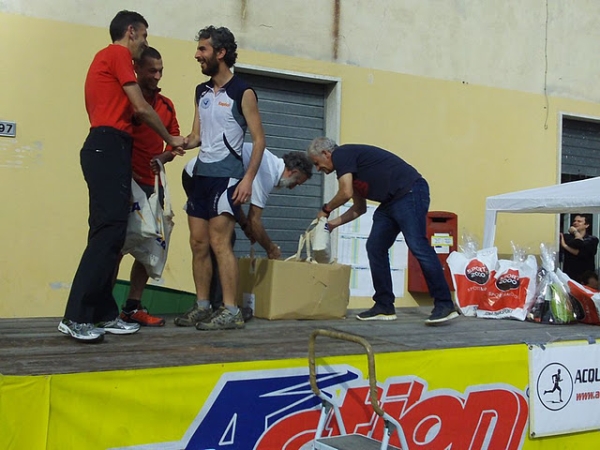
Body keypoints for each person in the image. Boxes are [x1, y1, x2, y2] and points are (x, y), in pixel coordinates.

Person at [58, 11, 185, 343]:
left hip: (113, 148)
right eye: (143, 35)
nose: (144, 42)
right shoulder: (115, 54)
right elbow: (141, 108)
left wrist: (172, 143)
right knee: (106, 234)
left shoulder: (112, 61)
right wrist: (172, 140)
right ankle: (75, 316)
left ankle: (103, 312)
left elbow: (140, 112)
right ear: (131, 31)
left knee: (113, 235)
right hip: (106, 146)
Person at [307, 137, 459, 325]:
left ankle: (445, 304)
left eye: (317, 163)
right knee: (375, 247)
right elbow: (359, 208)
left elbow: (344, 193)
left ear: (326, 153)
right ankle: (384, 305)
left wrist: (326, 209)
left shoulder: (342, 154)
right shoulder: (350, 170)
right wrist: (331, 225)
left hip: (410, 191)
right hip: (390, 202)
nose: (317, 169)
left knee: (417, 245)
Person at [177, 26, 266, 331]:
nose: (197, 55)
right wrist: (176, 142)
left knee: (220, 243)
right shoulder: (201, 92)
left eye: (203, 49)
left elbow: (259, 140)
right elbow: (197, 137)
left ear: (221, 53)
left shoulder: (243, 91)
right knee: (198, 243)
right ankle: (202, 305)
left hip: (227, 177)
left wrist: (248, 180)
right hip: (201, 176)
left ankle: (231, 310)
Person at [178, 143, 313, 322]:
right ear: (293, 172)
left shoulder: (268, 162)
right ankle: (225, 306)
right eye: (297, 182)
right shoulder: (267, 172)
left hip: (193, 173)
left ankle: (207, 304)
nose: (293, 187)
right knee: (223, 242)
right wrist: (271, 248)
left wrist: (245, 226)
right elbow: (254, 221)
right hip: (210, 176)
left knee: (204, 243)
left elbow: (235, 205)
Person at [117, 46, 180, 327]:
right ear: (137, 70)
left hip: (153, 185)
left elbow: (175, 142)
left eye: (160, 70)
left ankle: (132, 307)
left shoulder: (166, 105)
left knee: (148, 247)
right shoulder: (127, 100)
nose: (157, 76)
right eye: (151, 70)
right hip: (125, 182)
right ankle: (102, 308)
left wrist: (163, 157)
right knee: (115, 246)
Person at [560, 214, 599, 283]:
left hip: (586, 278)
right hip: (570, 276)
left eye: (579, 221)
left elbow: (583, 253)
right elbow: (578, 243)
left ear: (586, 225)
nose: (575, 223)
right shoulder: (567, 237)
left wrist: (566, 246)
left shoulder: (592, 239)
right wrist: (575, 234)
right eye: (574, 221)